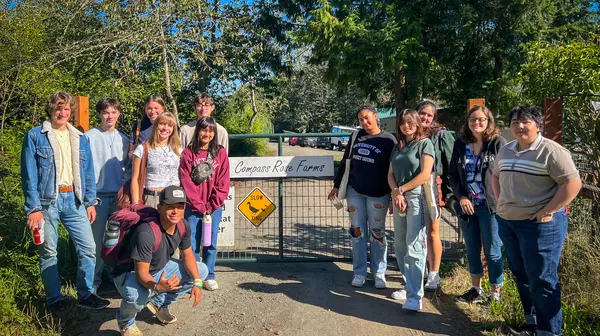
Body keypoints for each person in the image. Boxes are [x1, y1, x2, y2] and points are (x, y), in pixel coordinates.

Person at [492, 105, 581, 336]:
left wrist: (549, 210)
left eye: (526, 121)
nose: (520, 126)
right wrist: (501, 201)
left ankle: (549, 332)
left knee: (542, 280)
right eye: (515, 122)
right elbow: (495, 175)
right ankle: (531, 325)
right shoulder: (507, 149)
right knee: (521, 275)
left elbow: (572, 184)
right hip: (509, 222)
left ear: (537, 125)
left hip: (540, 226)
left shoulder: (551, 151)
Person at [21, 92, 110, 311]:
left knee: (89, 248)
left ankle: (85, 294)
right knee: (49, 252)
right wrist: (33, 208)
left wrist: (90, 201)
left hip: (75, 200)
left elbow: (88, 172)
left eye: (67, 109)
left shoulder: (79, 138)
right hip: (47, 202)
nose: (62, 113)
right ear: (50, 110)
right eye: (58, 108)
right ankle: (54, 300)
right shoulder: (35, 136)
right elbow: (29, 175)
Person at [113, 186, 209, 336]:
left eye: (180, 206)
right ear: (160, 207)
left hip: (157, 270)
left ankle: (159, 304)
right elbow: (141, 274)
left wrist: (197, 282)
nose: (175, 211)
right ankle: (126, 323)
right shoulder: (146, 232)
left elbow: (188, 255)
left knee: (201, 271)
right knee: (137, 297)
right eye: (170, 207)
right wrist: (157, 287)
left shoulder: (183, 225)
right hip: (129, 273)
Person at [328, 104, 397, 289]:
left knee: (377, 233)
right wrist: (336, 186)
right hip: (355, 191)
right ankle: (359, 272)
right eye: (360, 119)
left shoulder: (389, 140)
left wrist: (392, 196)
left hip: (379, 194)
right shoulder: (356, 136)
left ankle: (379, 272)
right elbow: (345, 162)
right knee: (357, 231)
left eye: (367, 117)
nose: (364, 122)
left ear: (375, 116)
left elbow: (394, 171)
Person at [448, 105, 506, 304]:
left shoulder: (498, 144)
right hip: (467, 206)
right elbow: (453, 175)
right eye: (473, 119)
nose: (477, 123)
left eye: (481, 119)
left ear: (489, 121)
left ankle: (495, 294)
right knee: (472, 248)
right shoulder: (459, 145)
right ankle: (475, 289)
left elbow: (505, 174)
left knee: (492, 250)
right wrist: (462, 197)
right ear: (468, 122)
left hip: (490, 206)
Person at [387, 109, 435, 311]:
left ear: (417, 123)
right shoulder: (398, 147)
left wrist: (403, 190)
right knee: (400, 244)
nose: (406, 126)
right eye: (403, 123)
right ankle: (409, 285)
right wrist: (396, 193)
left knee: (415, 245)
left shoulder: (425, 144)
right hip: (399, 198)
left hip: (416, 198)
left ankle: (416, 296)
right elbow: (390, 173)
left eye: (410, 122)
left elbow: (425, 174)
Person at [85, 98, 131, 292]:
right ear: (99, 115)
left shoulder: (124, 139)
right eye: (105, 112)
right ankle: (92, 284)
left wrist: (125, 190)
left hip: (118, 197)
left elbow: (129, 168)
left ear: (118, 114)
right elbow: (84, 168)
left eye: (113, 112)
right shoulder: (89, 137)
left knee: (117, 241)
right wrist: (88, 198)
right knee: (95, 242)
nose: (109, 116)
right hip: (97, 197)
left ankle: (115, 279)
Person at [179, 117, 230, 291]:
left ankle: (209, 274)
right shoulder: (188, 153)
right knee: (191, 243)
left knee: (210, 242)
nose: (206, 134)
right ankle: (193, 277)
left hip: (213, 208)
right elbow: (186, 180)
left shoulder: (220, 153)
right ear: (197, 131)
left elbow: (223, 181)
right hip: (193, 208)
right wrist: (199, 204)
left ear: (214, 133)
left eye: (210, 131)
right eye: (203, 130)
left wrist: (213, 203)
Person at [416, 100, 454, 290]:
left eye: (429, 115)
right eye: (422, 113)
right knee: (415, 233)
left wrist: (449, 192)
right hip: (411, 188)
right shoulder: (408, 133)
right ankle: (419, 269)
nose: (425, 117)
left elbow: (451, 164)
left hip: (432, 185)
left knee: (432, 232)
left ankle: (434, 273)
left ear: (433, 118)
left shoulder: (441, 136)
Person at [131, 112, 183, 208]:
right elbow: (135, 178)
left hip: (175, 199)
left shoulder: (178, 149)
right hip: (152, 199)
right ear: (156, 126)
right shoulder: (143, 148)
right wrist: (135, 203)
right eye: (162, 124)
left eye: (170, 126)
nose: (165, 128)